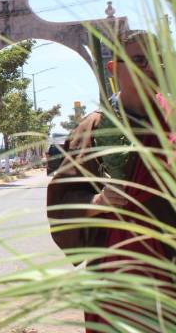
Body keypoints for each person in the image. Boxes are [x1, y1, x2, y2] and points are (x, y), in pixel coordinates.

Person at [46, 30, 175, 332]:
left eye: (155, 61)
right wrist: (99, 201)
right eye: (139, 60)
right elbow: (63, 204)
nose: (149, 69)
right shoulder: (95, 128)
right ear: (113, 68)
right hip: (117, 278)